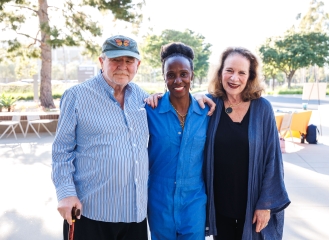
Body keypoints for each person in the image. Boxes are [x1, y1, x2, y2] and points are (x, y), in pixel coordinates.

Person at [51, 35, 150, 240]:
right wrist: (66, 193)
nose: (122, 66)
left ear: (137, 65)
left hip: (135, 215)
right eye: (115, 59)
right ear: (101, 61)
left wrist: (205, 99)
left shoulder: (144, 98)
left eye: (129, 60)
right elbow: (62, 150)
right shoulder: (77, 96)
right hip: (90, 214)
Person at [203, 47, 291, 239]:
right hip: (220, 206)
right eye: (229, 71)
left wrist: (265, 205)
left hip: (252, 205)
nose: (234, 78)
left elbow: (273, 160)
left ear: (250, 76)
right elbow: (179, 104)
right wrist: (157, 97)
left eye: (242, 72)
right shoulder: (210, 104)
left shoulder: (262, 109)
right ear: (220, 73)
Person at [145, 42, 210, 239]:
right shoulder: (150, 110)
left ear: (192, 75)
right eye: (171, 75)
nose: (177, 80)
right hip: (159, 199)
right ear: (164, 77)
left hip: (194, 201)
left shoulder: (207, 111)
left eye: (183, 73)